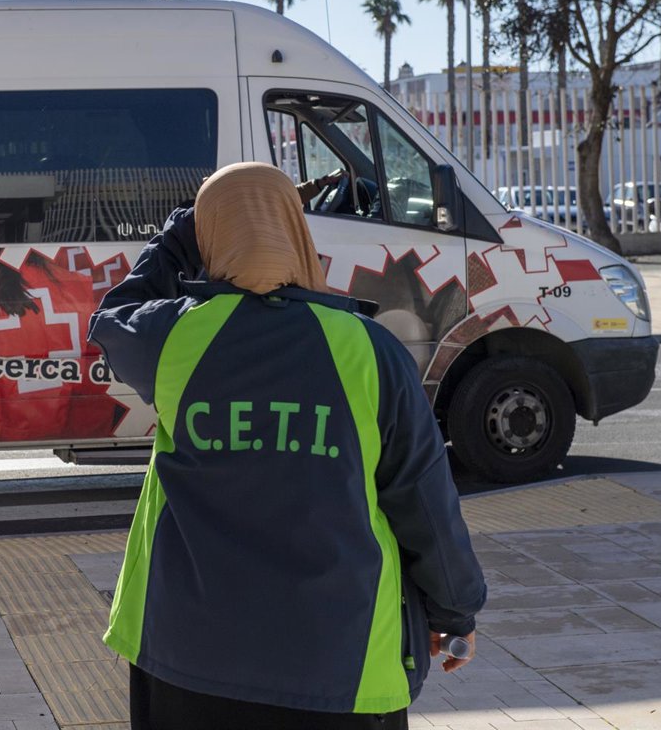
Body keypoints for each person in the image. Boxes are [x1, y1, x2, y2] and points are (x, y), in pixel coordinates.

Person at [88, 162, 486, 729]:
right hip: (340, 661)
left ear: (209, 236)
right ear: (296, 230)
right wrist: (454, 611)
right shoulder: (370, 351)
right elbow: (423, 502)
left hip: (187, 656)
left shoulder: (175, 337)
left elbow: (112, 318)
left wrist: (177, 238)